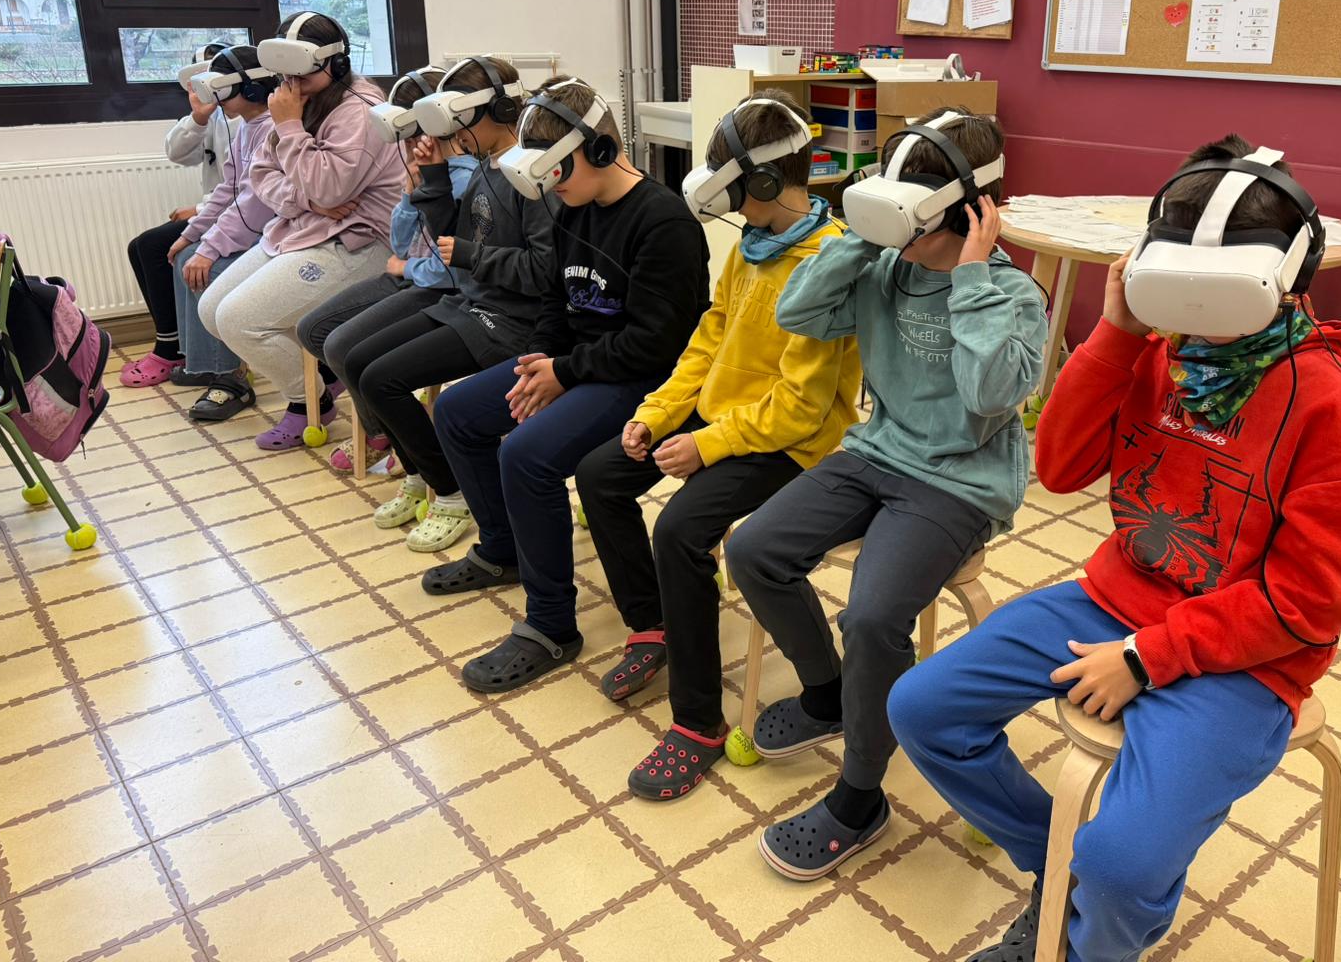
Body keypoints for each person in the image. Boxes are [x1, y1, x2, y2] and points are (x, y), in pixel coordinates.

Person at [888, 136, 1341, 962]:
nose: (1195, 315)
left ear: (1288, 276)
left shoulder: (1328, 403)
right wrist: (1114, 336)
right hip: (1113, 600)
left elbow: (1311, 603)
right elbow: (1059, 467)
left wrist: (1148, 658)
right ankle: (1060, 870)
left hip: (1243, 658)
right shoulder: (1158, 356)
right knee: (923, 708)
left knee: (1124, 866)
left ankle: (1090, 930)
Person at [724, 108, 1047, 880]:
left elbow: (988, 394)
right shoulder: (883, 266)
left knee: (871, 617)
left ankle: (861, 794)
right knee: (755, 547)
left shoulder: (1011, 296)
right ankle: (829, 693)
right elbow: (798, 312)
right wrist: (863, 239)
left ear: (968, 212)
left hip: (957, 481)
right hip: (876, 451)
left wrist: (970, 277)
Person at [572, 90, 862, 801]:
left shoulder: (827, 264)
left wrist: (707, 446)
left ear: (763, 182)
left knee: (679, 531)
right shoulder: (753, 246)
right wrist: (657, 414)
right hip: (726, 421)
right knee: (602, 473)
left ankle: (697, 722)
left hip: (791, 444)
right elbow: (709, 340)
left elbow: (800, 408)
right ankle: (655, 626)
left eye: (736, 189)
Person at [426, 74, 709, 695]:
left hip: (644, 377)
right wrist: (541, 362)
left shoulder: (664, 222)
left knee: (526, 455)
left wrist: (563, 373)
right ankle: (503, 548)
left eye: (559, 171)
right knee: (458, 412)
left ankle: (550, 623)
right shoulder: (572, 208)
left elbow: (655, 344)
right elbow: (557, 302)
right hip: (580, 364)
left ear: (600, 150)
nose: (551, 186)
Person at [335, 56, 558, 554]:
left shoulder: (529, 175)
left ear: (498, 110)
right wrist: (434, 177)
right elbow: (452, 240)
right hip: (473, 304)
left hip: (511, 322)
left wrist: (475, 255)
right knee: (357, 362)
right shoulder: (486, 166)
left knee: (383, 379)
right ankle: (420, 475)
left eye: (460, 123)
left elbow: (544, 271)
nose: (454, 135)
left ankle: (451, 494)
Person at [197, 12, 396, 450]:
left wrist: (288, 127)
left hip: (355, 239)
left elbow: (328, 186)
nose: (291, 83)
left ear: (336, 65)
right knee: (212, 309)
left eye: (302, 73)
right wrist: (308, 200)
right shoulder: (293, 99)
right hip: (302, 226)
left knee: (240, 320)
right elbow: (263, 176)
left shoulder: (359, 109)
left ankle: (310, 401)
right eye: (285, 73)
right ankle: (321, 376)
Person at [292, 65, 468, 474]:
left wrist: (408, 267)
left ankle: (390, 435)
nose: (407, 145)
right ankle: (388, 427)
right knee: (313, 330)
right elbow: (401, 242)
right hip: (408, 275)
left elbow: (453, 267)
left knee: (344, 348)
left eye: (411, 134)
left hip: (434, 286)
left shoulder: (464, 180)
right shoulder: (423, 170)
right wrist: (409, 193)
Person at [163, 45, 278, 421]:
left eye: (223, 89)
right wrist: (191, 235)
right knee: (183, 255)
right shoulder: (247, 128)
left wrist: (209, 248)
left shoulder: (272, 129)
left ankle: (232, 378)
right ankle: (207, 364)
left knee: (208, 268)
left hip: (276, 233)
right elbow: (227, 190)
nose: (217, 100)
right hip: (256, 228)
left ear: (252, 88)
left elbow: (253, 204)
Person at [121, 40, 236, 387]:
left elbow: (250, 185)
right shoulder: (214, 115)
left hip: (234, 213)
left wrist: (199, 209)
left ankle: (170, 348)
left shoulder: (244, 116)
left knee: (155, 247)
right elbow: (177, 152)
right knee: (139, 246)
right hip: (218, 208)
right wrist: (198, 117)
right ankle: (173, 341)